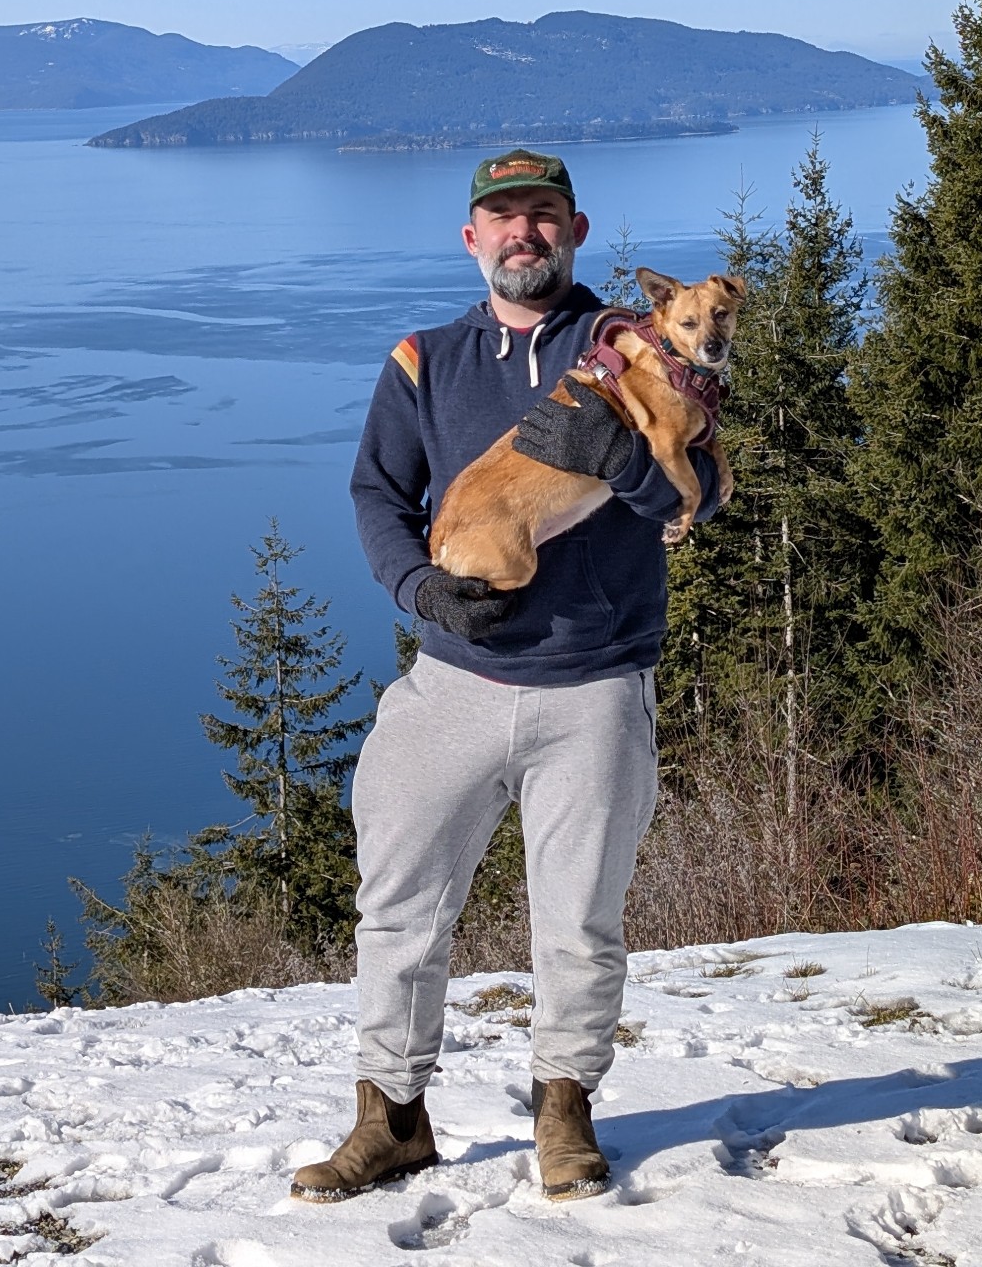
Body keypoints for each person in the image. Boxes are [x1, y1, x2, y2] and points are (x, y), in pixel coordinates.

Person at [290, 148, 720, 1205]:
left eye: (542, 215)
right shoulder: (424, 358)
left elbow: (702, 490)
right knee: (397, 907)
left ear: (575, 230)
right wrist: (420, 590)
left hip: (595, 682)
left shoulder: (632, 341)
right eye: (503, 217)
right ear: (471, 238)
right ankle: (391, 1120)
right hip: (453, 680)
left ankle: (563, 1113)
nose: (522, 233)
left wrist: (625, 463)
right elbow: (377, 495)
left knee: (579, 918)